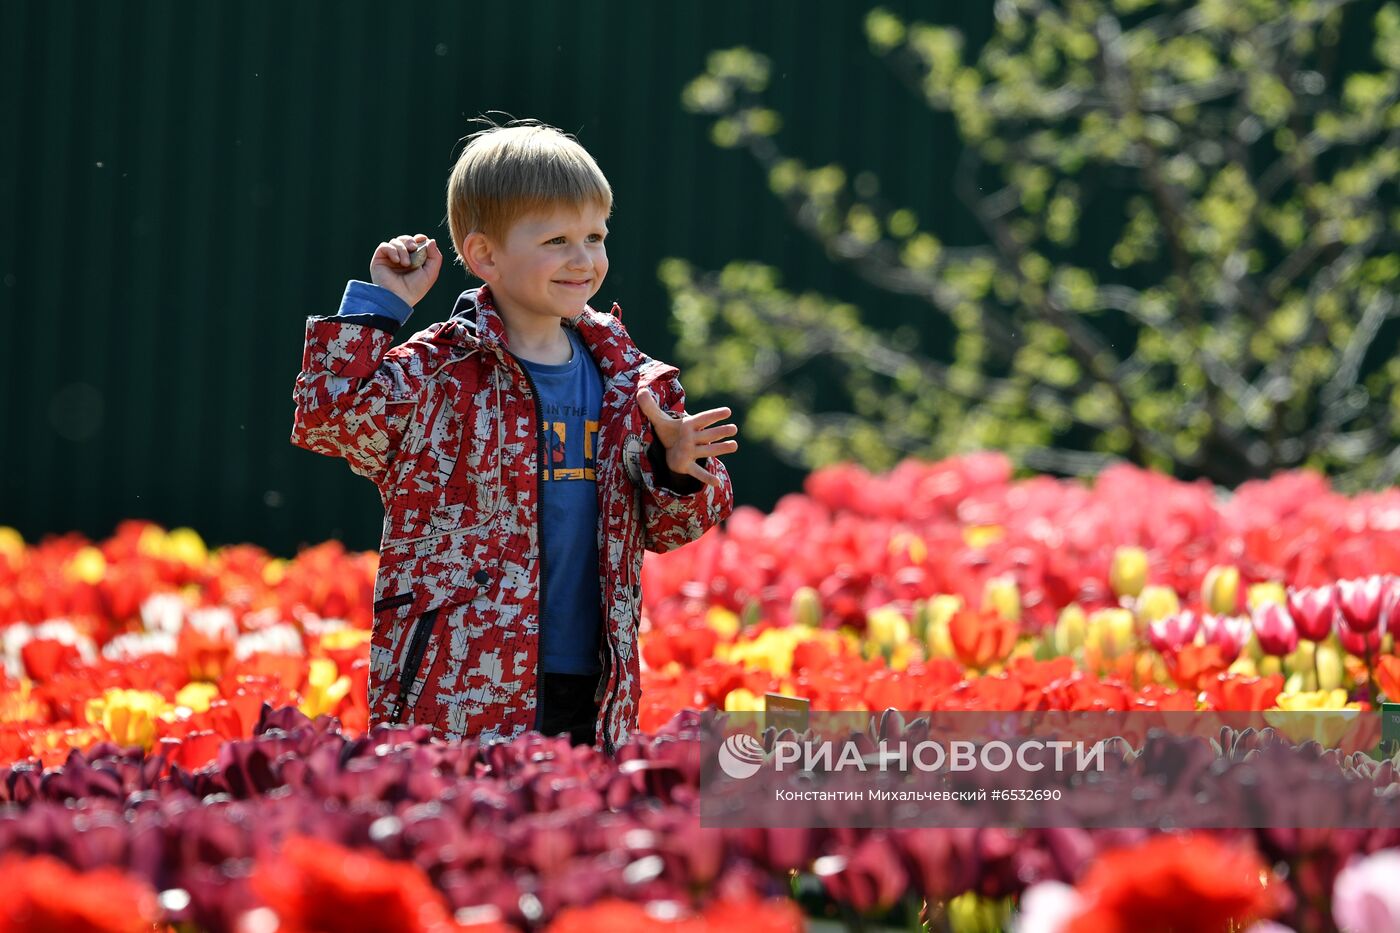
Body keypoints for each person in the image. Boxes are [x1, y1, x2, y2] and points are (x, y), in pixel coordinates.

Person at [290, 120, 737, 755]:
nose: (583, 259)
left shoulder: (630, 382)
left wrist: (677, 469)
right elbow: (329, 417)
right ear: (485, 256)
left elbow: (670, 528)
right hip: (455, 689)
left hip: (594, 681)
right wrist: (380, 308)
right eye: (556, 240)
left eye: (594, 236)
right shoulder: (440, 373)